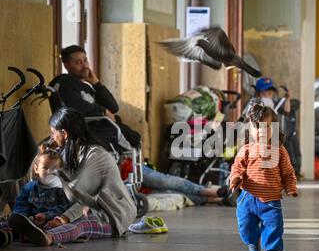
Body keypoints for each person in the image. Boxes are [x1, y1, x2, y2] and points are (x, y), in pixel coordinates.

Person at [51, 45, 227, 205]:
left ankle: (215, 196)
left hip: (118, 144)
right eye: (77, 62)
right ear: (66, 65)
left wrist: (96, 82)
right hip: (106, 143)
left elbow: (113, 106)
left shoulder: (87, 85)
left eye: (85, 60)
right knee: (162, 182)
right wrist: (103, 112)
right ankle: (214, 192)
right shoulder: (64, 84)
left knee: (160, 185)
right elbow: (79, 109)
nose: (84, 66)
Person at [8, 108, 137, 246]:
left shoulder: (96, 156)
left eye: (53, 133)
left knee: (80, 225)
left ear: (64, 134)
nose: (51, 138)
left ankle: (48, 237)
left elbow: (84, 200)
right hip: (81, 209)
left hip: (110, 215)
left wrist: (62, 219)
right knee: (34, 219)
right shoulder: (67, 153)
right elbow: (39, 177)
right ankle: (8, 233)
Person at [229, 104, 298, 251]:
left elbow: (288, 172)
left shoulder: (280, 151)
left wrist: (291, 187)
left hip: (271, 200)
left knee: (274, 226)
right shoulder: (246, 149)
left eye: (266, 127)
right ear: (250, 128)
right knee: (245, 226)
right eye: (257, 127)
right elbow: (237, 166)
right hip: (247, 198)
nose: (261, 131)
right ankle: (252, 241)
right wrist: (236, 178)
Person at [12, 144, 72, 229]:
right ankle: (11, 231)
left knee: (61, 227)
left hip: (51, 220)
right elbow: (22, 204)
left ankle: (39, 234)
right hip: (31, 220)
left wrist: (46, 215)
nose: (49, 172)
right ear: (36, 169)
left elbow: (63, 207)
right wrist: (21, 217)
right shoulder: (29, 187)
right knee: (10, 222)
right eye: (45, 168)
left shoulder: (62, 190)